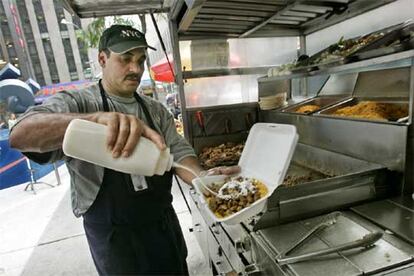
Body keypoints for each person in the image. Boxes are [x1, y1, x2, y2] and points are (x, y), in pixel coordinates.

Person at [9, 24, 239, 275]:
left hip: (161, 225)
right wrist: (93, 120)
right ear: (102, 59)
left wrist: (202, 180)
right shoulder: (78, 102)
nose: (136, 69)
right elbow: (21, 134)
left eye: (141, 60)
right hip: (113, 236)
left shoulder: (156, 110)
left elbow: (179, 153)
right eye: (126, 59)